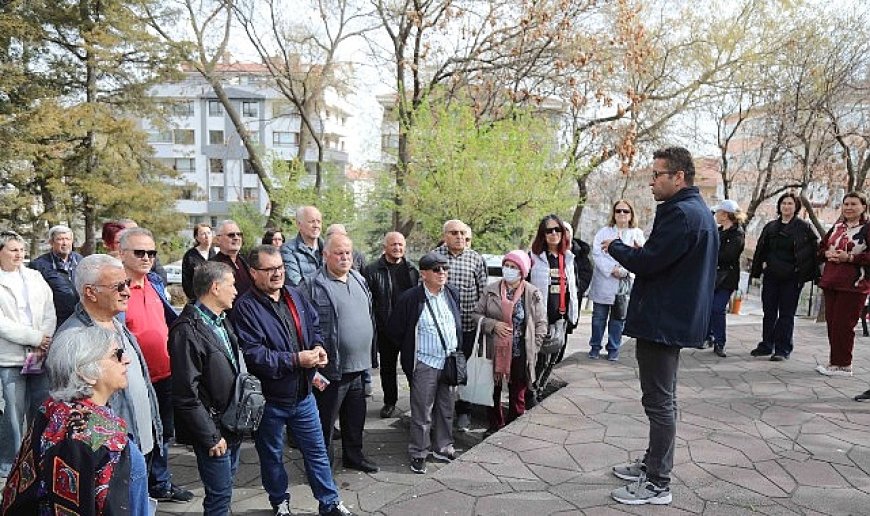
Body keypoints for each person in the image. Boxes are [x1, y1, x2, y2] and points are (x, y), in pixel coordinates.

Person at [603, 146, 718, 505]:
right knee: (662, 399)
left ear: (678, 177)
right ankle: (654, 463)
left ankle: (657, 483)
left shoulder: (683, 214)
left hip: (663, 320)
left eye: (657, 175)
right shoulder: (693, 211)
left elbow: (650, 261)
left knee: (659, 401)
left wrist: (616, 248)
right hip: (670, 318)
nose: (651, 182)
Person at [229, 244, 354, 516]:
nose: (277, 274)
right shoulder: (245, 308)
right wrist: (297, 359)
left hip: (303, 395)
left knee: (317, 452)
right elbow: (255, 356)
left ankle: (329, 503)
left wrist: (318, 347)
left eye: (280, 268)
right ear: (253, 272)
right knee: (272, 457)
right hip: (270, 400)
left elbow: (314, 326)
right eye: (269, 269)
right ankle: (280, 502)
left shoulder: (295, 296)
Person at [0, 326, 151, 515]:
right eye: (116, 354)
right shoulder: (82, 437)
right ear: (86, 373)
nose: (126, 359)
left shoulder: (53, 408)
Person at [56, 254, 168, 505]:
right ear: (90, 292)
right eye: (118, 286)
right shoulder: (75, 340)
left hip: (137, 447)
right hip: (109, 458)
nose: (127, 291)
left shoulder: (115, 324)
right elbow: (71, 413)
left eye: (127, 283)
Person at [118, 227, 190, 503]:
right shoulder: (117, 289)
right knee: (138, 436)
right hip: (135, 379)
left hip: (166, 372)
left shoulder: (155, 282)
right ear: (122, 254)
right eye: (140, 252)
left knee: (164, 433)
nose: (147, 257)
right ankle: (137, 490)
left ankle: (159, 484)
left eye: (151, 252)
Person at [301, 234, 379, 473]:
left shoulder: (358, 278)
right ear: (325, 255)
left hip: (359, 366)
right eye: (339, 252)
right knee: (325, 421)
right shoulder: (311, 284)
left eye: (348, 252)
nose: (345, 257)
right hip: (330, 369)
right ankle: (321, 467)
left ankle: (353, 456)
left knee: (355, 418)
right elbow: (301, 325)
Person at [170, 261, 242, 514]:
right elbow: (185, 394)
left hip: (230, 425)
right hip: (214, 432)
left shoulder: (221, 321)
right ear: (215, 287)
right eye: (231, 285)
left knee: (225, 491)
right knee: (219, 499)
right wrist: (210, 435)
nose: (236, 291)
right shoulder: (186, 331)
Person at [386, 252, 462, 475]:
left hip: (448, 361)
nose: (442, 273)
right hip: (425, 363)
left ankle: (443, 447)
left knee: (446, 408)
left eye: (445, 269)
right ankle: (419, 452)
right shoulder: (411, 298)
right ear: (423, 274)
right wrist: (412, 354)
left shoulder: (451, 293)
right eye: (436, 269)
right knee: (422, 412)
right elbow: (395, 330)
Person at [0, 230, 56, 477]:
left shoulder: (34, 276)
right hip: (9, 357)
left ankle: (37, 457)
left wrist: (43, 339)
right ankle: (9, 463)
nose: (19, 254)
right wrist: (33, 338)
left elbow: (49, 309)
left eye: (21, 250)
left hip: (37, 355)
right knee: (13, 413)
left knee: (40, 407)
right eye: (13, 250)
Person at [475, 251, 546, 435]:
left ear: (522, 271)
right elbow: (476, 315)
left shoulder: (532, 293)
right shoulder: (491, 289)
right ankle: (495, 425)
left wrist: (534, 347)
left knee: (518, 393)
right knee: (492, 390)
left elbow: (540, 324)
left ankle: (514, 427)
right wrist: (493, 325)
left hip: (520, 351)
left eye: (513, 267)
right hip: (494, 350)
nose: (509, 270)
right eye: (506, 265)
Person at [749, 192, 819, 361]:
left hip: (792, 278)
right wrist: (760, 268)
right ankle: (766, 344)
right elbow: (761, 249)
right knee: (769, 312)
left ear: (796, 207)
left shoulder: (804, 228)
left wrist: (802, 272)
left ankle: (782, 349)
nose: (786, 206)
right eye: (783, 203)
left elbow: (813, 252)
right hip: (772, 275)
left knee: (786, 315)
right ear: (779, 206)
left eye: (790, 203)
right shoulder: (771, 226)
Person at [433, 219, 487, 432]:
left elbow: (483, 292)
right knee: (442, 370)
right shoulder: (435, 257)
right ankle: (441, 411)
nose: (459, 237)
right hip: (442, 329)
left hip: (468, 326)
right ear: (445, 235)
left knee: (466, 372)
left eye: (462, 233)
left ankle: (464, 411)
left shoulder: (475, 258)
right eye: (453, 233)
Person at [363, 231, 420, 418]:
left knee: (411, 366)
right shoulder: (372, 270)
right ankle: (390, 402)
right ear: (385, 247)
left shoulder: (412, 270)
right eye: (393, 244)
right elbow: (368, 301)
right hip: (385, 327)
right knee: (387, 368)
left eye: (400, 244)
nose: (397, 248)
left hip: (409, 328)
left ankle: (417, 401)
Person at [815, 191, 869, 378]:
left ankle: (844, 365)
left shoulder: (867, 228)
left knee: (844, 325)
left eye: (854, 204)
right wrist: (826, 254)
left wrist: (851, 257)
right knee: (832, 324)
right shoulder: (837, 226)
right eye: (846, 204)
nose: (849, 207)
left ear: (863, 207)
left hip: (854, 284)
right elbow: (821, 247)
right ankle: (834, 362)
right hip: (832, 281)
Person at [588, 201, 646, 361]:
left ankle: (613, 348)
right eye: (618, 211)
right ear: (613, 213)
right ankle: (595, 346)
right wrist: (611, 269)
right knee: (598, 318)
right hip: (604, 281)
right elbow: (597, 254)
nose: (621, 214)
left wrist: (624, 270)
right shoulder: (603, 232)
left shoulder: (637, 233)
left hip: (623, 285)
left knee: (618, 318)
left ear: (631, 214)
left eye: (625, 211)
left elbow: (641, 256)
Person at [706, 199, 746, 358]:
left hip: (726, 277)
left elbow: (728, 255)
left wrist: (711, 254)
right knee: (709, 307)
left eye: (718, 212)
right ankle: (708, 336)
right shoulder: (718, 231)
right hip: (713, 275)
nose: (715, 215)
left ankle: (719, 341)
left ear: (725, 214)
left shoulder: (737, 234)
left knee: (717, 308)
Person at [29, 225, 82, 327]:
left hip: (81, 318)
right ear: (51, 242)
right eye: (60, 239)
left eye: (67, 239)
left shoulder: (80, 260)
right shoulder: (39, 265)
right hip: (57, 321)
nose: (65, 243)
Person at [210, 219, 253, 299]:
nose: (236, 238)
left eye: (239, 234)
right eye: (231, 235)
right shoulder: (212, 265)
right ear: (218, 239)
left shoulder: (247, 261)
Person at [282, 206, 324, 286]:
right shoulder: (288, 250)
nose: (316, 225)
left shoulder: (328, 249)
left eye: (319, 222)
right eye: (311, 221)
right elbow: (295, 282)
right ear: (299, 224)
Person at [181, 223, 215, 301]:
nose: (207, 236)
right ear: (197, 237)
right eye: (203, 234)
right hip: (197, 300)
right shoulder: (190, 256)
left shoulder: (216, 253)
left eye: (209, 233)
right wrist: (195, 299)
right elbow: (186, 282)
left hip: (215, 299)